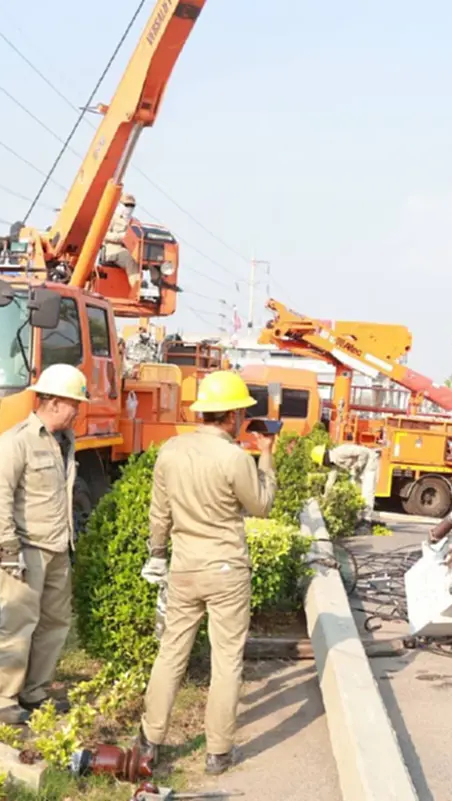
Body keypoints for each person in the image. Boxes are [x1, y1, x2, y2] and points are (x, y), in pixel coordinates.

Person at [135, 370, 277, 776]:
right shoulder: (234, 457)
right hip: (226, 568)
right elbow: (262, 505)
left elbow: (158, 513)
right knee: (227, 659)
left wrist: (157, 554)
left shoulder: (171, 450)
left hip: (183, 567)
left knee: (171, 653)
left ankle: (150, 741)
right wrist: (266, 453)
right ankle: (217, 752)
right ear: (231, 415)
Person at [0, 363, 88, 725]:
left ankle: (34, 692)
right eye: (75, 403)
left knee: (55, 623)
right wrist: (8, 548)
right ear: (55, 402)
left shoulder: (65, 440)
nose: (78, 410)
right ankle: (2, 700)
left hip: (58, 548)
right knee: (17, 624)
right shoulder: (18, 441)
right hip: (26, 550)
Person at [312, 443, 378, 518]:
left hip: (370, 462)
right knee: (354, 491)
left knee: (367, 492)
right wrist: (325, 498)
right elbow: (330, 481)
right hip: (360, 469)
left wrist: (358, 466)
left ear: (325, 458)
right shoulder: (334, 463)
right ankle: (357, 517)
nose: (325, 465)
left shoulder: (341, 451)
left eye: (323, 463)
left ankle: (366, 520)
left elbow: (363, 452)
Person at [103, 193, 141, 291]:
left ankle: (159, 284)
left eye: (132, 205)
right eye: (127, 205)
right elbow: (103, 235)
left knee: (149, 259)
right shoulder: (112, 218)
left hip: (131, 250)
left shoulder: (135, 222)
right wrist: (121, 237)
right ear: (120, 204)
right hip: (114, 251)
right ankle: (137, 289)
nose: (129, 208)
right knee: (130, 259)